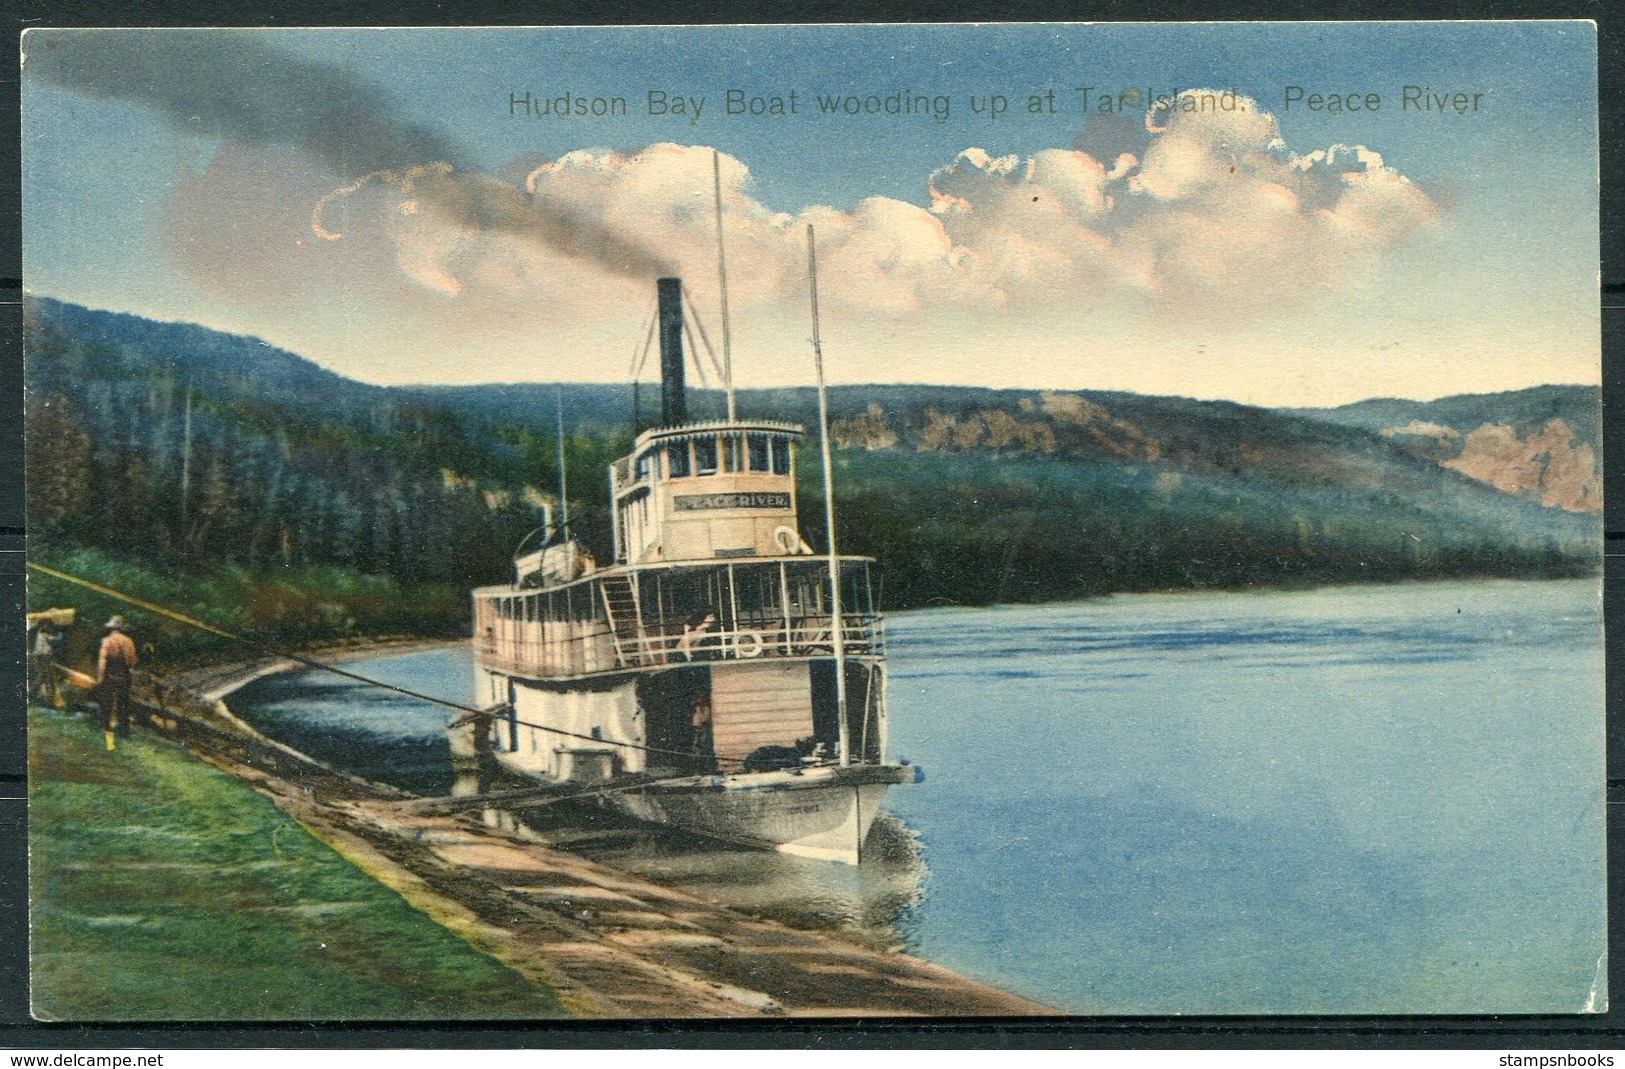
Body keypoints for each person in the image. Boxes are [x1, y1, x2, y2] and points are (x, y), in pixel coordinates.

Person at [97, 615, 138, 750]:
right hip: (124, 676)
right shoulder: (128, 641)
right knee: (123, 703)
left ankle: (105, 727)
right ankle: (124, 730)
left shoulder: (107, 641)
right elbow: (132, 661)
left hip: (110, 675)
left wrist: (100, 677)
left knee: (106, 702)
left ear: (112, 628)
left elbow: (103, 661)